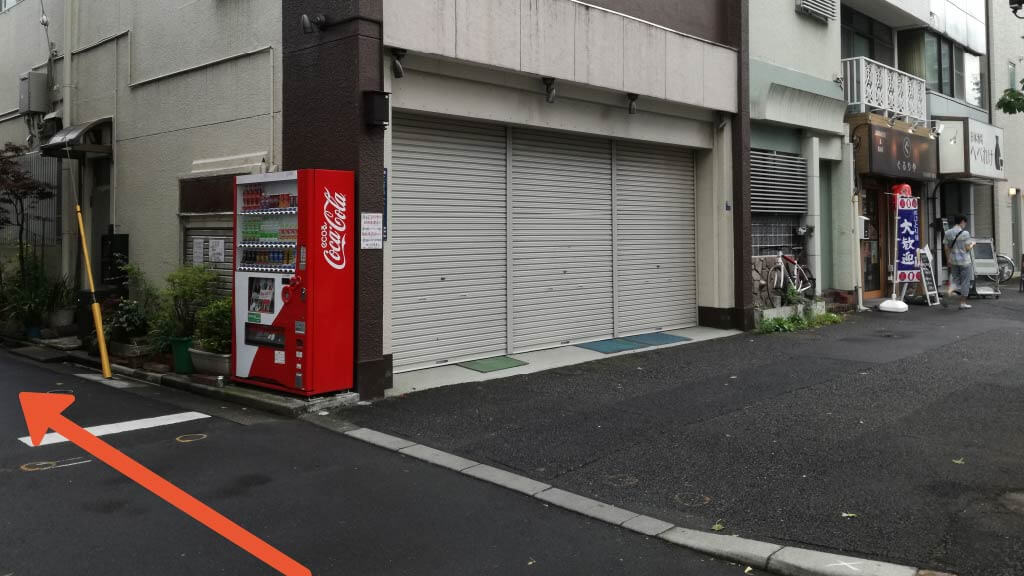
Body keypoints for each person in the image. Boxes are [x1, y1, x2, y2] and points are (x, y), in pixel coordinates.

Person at [943, 215, 974, 310]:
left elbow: (946, 247)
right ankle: (963, 303)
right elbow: (967, 248)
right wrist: (973, 244)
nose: (965, 225)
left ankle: (949, 293)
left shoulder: (948, 232)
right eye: (965, 223)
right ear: (962, 222)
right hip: (965, 261)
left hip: (953, 261)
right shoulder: (965, 233)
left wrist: (948, 259)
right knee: (965, 282)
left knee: (955, 280)